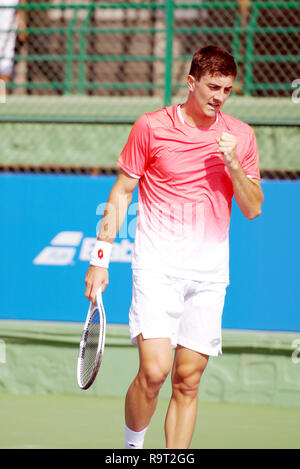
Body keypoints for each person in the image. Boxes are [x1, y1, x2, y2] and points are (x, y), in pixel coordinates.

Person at [84, 45, 263, 449]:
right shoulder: (151, 127)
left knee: (188, 380)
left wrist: (234, 165)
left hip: (209, 274)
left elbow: (253, 209)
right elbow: (122, 192)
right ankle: (133, 450)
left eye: (228, 90)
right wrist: (101, 258)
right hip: (157, 267)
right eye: (212, 87)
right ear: (191, 82)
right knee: (154, 371)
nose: (219, 97)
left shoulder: (242, 137)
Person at [0, 0, 28, 87]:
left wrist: (21, 20)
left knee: (5, 68)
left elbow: (21, 3)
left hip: (8, 31)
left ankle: (2, 99)